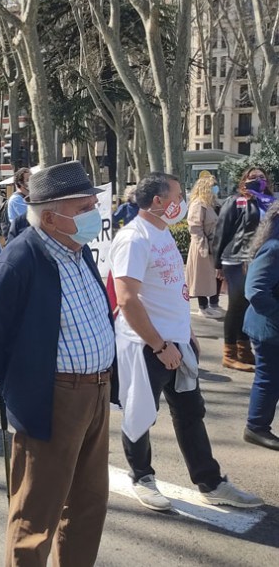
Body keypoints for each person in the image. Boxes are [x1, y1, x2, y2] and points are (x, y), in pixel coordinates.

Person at [0, 161, 114, 566]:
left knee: (88, 504)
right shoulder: (20, 260)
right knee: (36, 516)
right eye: (84, 207)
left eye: (93, 205)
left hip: (96, 393)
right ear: (51, 216)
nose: (94, 214)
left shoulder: (78, 252)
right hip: (53, 401)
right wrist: (27, 388)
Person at [112, 172, 262, 512]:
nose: (182, 202)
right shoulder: (134, 238)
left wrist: (185, 333)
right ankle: (142, 477)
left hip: (177, 341)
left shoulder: (161, 234)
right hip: (146, 346)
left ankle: (210, 481)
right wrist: (159, 346)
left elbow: (169, 291)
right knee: (140, 415)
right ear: (158, 202)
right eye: (177, 196)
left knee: (190, 412)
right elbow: (127, 300)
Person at [215, 167, 272, 372]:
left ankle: (244, 350)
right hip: (237, 259)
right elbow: (222, 231)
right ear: (245, 181)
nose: (258, 180)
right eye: (253, 177)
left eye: (262, 177)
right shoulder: (237, 201)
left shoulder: (269, 201)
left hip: (260, 260)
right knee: (237, 305)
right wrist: (217, 264)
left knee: (249, 305)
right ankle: (229, 354)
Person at [242, 203, 279, 450]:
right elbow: (254, 290)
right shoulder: (274, 248)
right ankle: (256, 427)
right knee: (268, 378)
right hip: (269, 328)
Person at [186, 176, 223, 319]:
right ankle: (203, 306)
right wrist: (203, 247)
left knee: (214, 276)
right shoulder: (198, 204)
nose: (215, 188)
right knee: (200, 277)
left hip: (213, 245)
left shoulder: (212, 204)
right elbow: (195, 228)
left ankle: (211, 304)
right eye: (213, 186)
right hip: (202, 247)